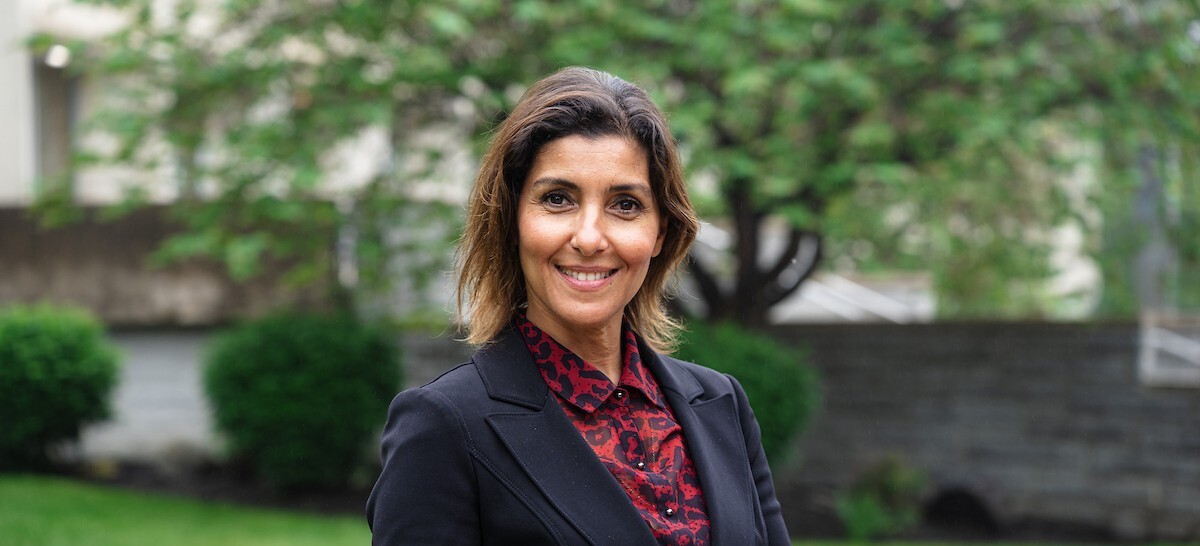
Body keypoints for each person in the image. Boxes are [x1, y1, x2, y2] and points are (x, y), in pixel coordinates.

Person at [367, 66, 789, 546]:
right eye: (558, 199)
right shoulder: (445, 424)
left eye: (625, 204)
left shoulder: (721, 403)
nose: (589, 238)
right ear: (512, 221)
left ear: (660, 232)